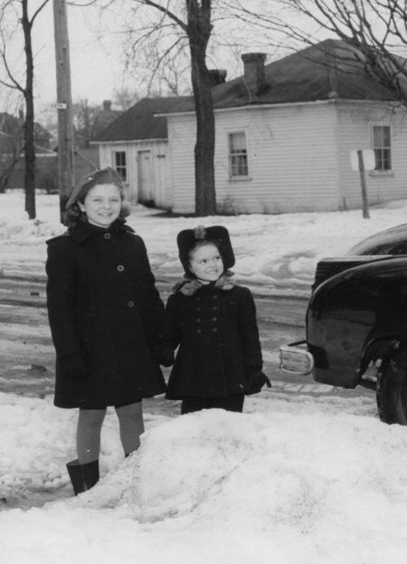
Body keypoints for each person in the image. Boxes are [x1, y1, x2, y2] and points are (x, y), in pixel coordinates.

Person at [46, 167, 168, 495]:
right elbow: (59, 310)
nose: (106, 206)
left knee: (131, 411)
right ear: (81, 205)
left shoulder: (132, 243)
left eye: (113, 199)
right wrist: (70, 354)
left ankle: (135, 478)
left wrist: (161, 340)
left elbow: (148, 296)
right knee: (91, 412)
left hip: (129, 346)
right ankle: (88, 487)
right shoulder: (64, 248)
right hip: (89, 350)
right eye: (97, 199)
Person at [162, 225, 269, 415]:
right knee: (193, 425)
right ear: (189, 266)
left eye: (216, 258)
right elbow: (170, 333)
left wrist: (254, 369)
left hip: (230, 375)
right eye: (203, 261)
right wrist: (163, 350)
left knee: (228, 424)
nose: (212, 265)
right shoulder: (180, 299)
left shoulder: (240, 295)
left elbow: (249, 336)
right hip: (193, 375)